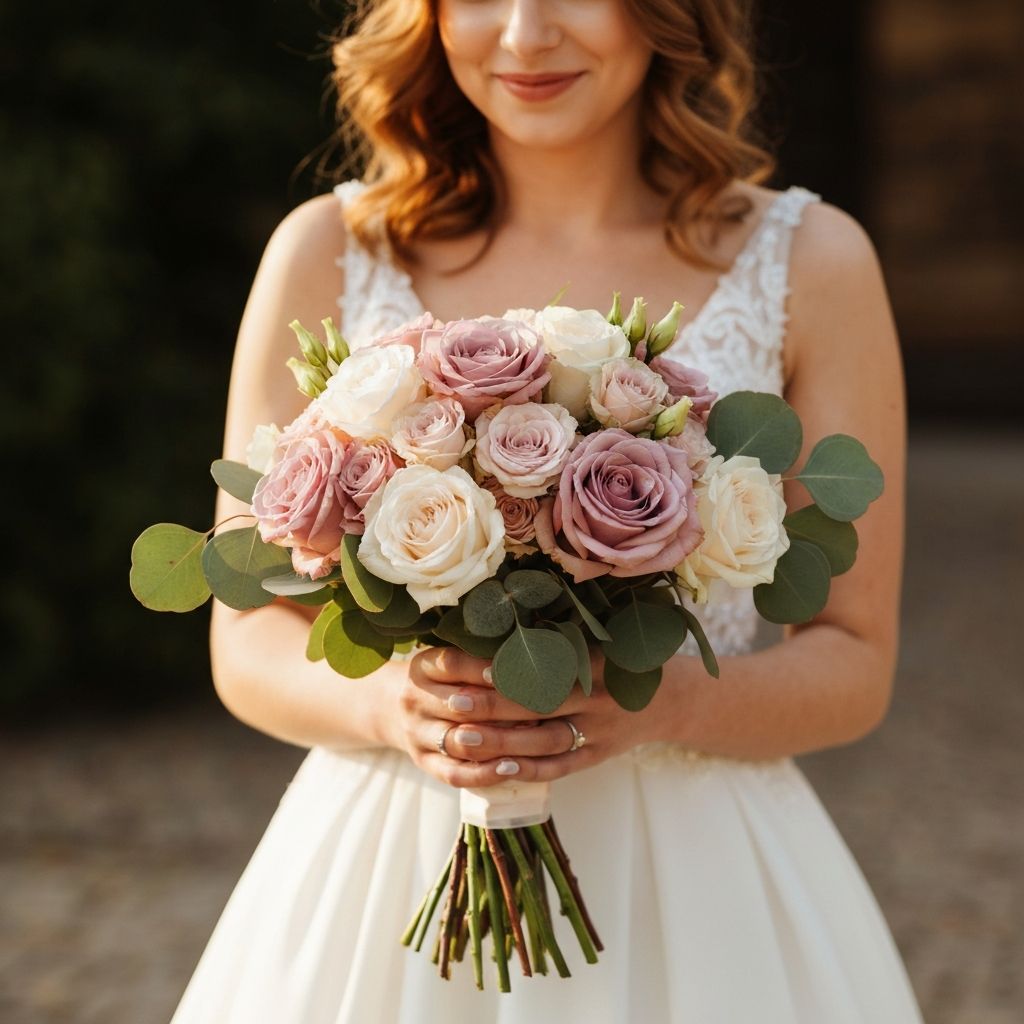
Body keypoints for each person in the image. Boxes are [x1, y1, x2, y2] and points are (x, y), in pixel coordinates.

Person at [170, 1, 925, 1021]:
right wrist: (392, 707)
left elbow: (854, 661)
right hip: (394, 859)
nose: (524, 36)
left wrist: (660, 701)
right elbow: (245, 631)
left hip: (703, 897)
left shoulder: (812, 262)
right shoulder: (327, 252)